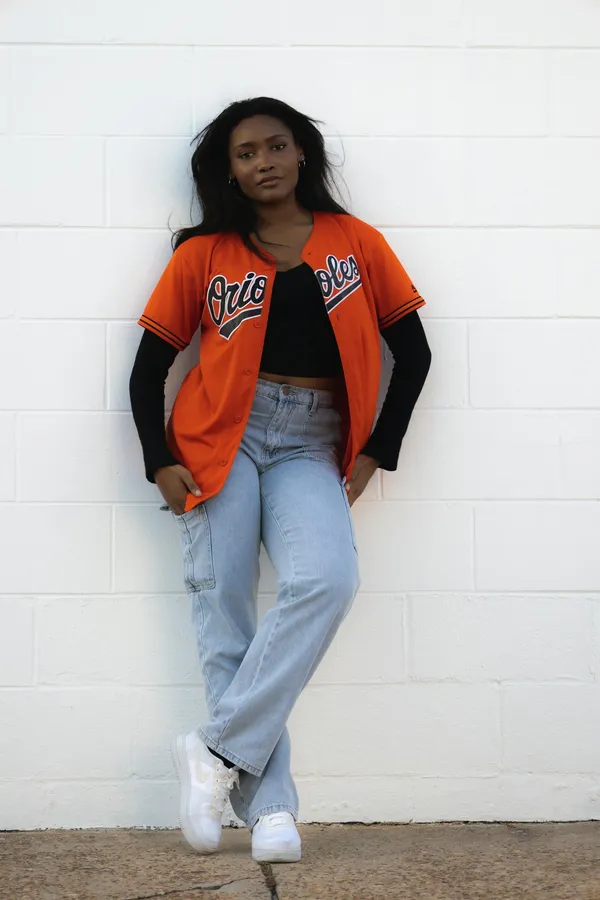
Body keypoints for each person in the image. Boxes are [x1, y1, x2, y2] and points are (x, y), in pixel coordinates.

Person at [129, 96, 431, 864]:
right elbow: (150, 366)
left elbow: (414, 351)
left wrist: (377, 450)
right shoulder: (204, 252)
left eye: (275, 146)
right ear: (228, 169)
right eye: (245, 153)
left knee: (326, 582)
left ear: (302, 154)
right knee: (227, 607)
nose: (262, 162)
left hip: (312, 439)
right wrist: (156, 458)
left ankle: (215, 750)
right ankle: (271, 813)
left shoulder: (355, 244)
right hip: (217, 440)